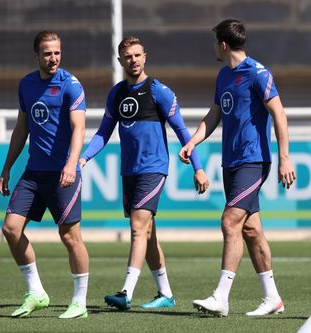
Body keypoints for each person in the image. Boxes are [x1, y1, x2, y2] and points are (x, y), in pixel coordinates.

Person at [79, 36, 209, 310]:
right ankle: (166, 294)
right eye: (128, 56)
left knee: (137, 227)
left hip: (154, 168)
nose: (133, 60)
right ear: (120, 61)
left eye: (138, 55)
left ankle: (125, 292)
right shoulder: (116, 94)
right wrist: (84, 157)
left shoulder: (158, 91)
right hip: (130, 171)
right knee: (148, 234)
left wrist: (198, 168)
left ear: (145, 57)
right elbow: (103, 132)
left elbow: (183, 132)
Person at [179, 19, 296, 317]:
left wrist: (284, 157)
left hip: (253, 160)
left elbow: (279, 115)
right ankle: (273, 298)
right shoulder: (223, 76)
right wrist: (193, 142)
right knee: (251, 230)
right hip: (231, 163)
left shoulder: (258, 73)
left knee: (230, 221)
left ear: (222, 44)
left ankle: (221, 297)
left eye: (214, 43)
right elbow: (214, 114)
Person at [0, 31, 89, 320]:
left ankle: (79, 302)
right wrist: (7, 166)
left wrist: (71, 164)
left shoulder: (70, 85)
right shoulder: (26, 84)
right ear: (36, 54)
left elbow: (79, 129)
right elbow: (21, 129)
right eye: (47, 53)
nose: (53, 58)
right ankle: (36, 292)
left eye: (57, 53)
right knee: (11, 228)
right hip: (34, 172)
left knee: (69, 236)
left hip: (64, 173)